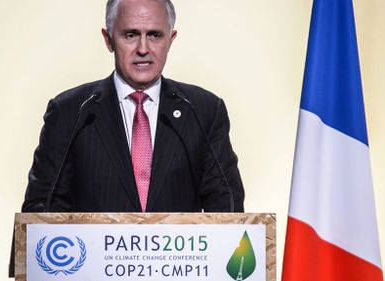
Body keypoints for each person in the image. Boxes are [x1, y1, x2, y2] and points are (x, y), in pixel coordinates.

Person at [22, 0, 244, 213]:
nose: (143, 49)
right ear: (108, 39)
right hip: (95, 253)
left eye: (155, 35)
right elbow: (41, 210)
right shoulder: (71, 112)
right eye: (131, 35)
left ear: (171, 39)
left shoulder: (203, 111)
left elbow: (228, 207)